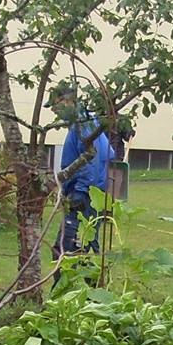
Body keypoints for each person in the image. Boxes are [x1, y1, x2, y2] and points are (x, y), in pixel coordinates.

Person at [55, 83, 115, 257]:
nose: (53, 110)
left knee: (66, 249)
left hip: (84, 195)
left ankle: (76, 282)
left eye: (55, 104)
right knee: (88, 243)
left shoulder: (83, 125)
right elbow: (108, 154)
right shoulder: (90, 121)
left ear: (68, 102)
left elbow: (93, 161)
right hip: (91, 194)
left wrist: (79, 193)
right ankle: (95, 281)